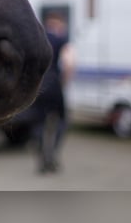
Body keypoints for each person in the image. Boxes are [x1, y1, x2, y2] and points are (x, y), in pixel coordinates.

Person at [33, 11, 75, 173]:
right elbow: (69, 63)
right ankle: (52, 155)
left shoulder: (38, 38)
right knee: (61, 121)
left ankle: (42, 157)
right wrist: (64, 81)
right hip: (55, 85)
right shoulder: (61, 39)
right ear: (58, 23)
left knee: (38, 122)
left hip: (40, 85)